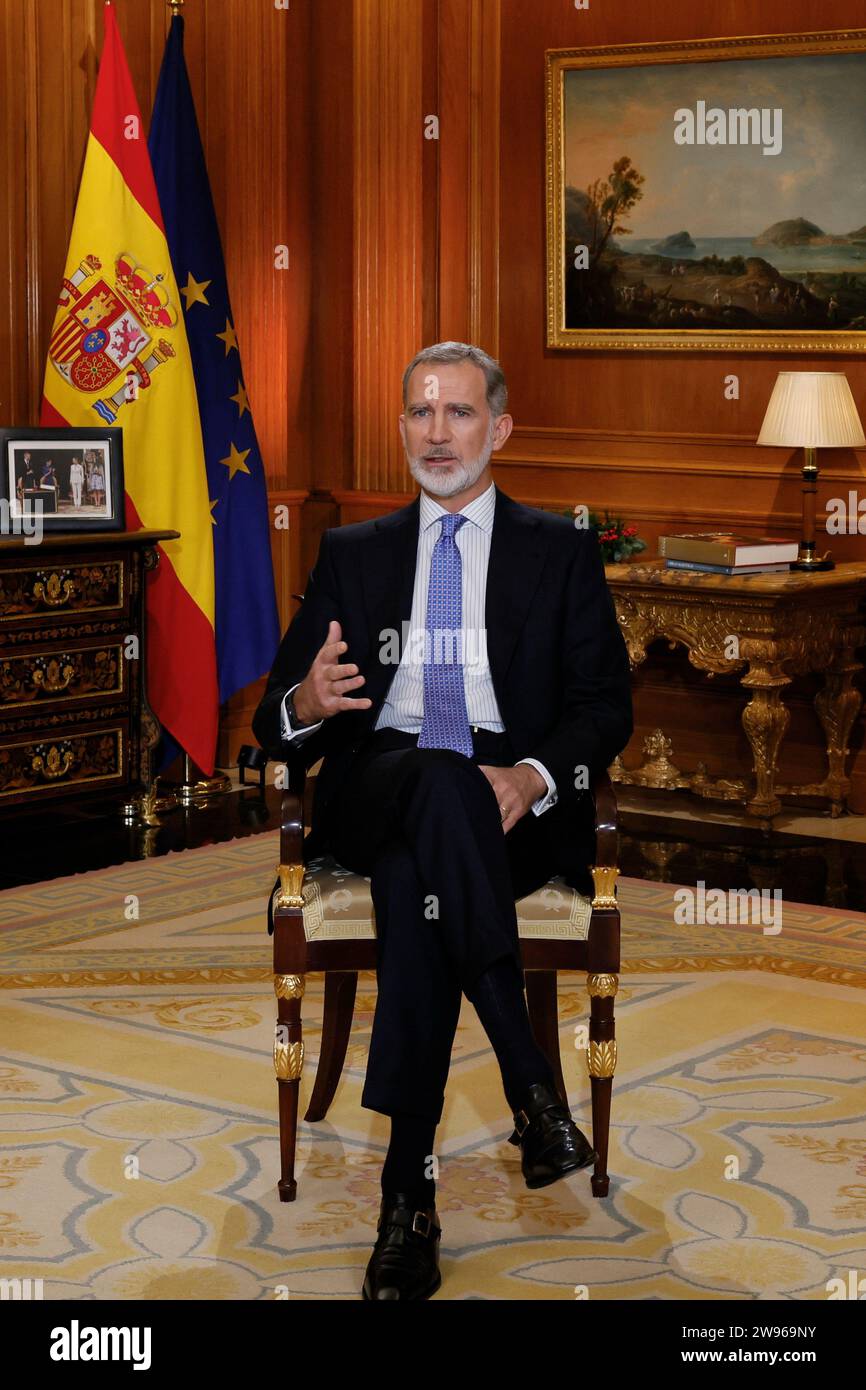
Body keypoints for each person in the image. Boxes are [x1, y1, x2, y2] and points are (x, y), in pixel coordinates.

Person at [253, 341, 633, 1300]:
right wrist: (307, 698)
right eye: (419, 413)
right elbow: (274, 718)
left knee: (422, 872)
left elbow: (604, 705)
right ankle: (528, 1082)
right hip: (376, 783)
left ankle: (404, 1197)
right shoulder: (354, 554)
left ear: (498, 429)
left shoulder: (560, 549)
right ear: (401, 430)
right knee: (427, 776)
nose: (436, 433)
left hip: (507, 805)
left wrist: (539, 775)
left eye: (457, 413)